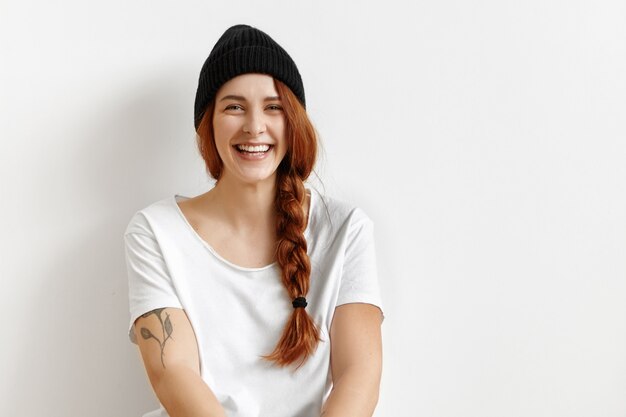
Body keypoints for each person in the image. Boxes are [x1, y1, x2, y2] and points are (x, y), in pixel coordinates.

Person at [124, 24, 384, 417]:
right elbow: (172, 373)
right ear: (208, 123)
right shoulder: (155, 231)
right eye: (234, 106)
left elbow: (359, 374)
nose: (254, 126)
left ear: (293, 121)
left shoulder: (346, 230)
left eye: (273, 106)